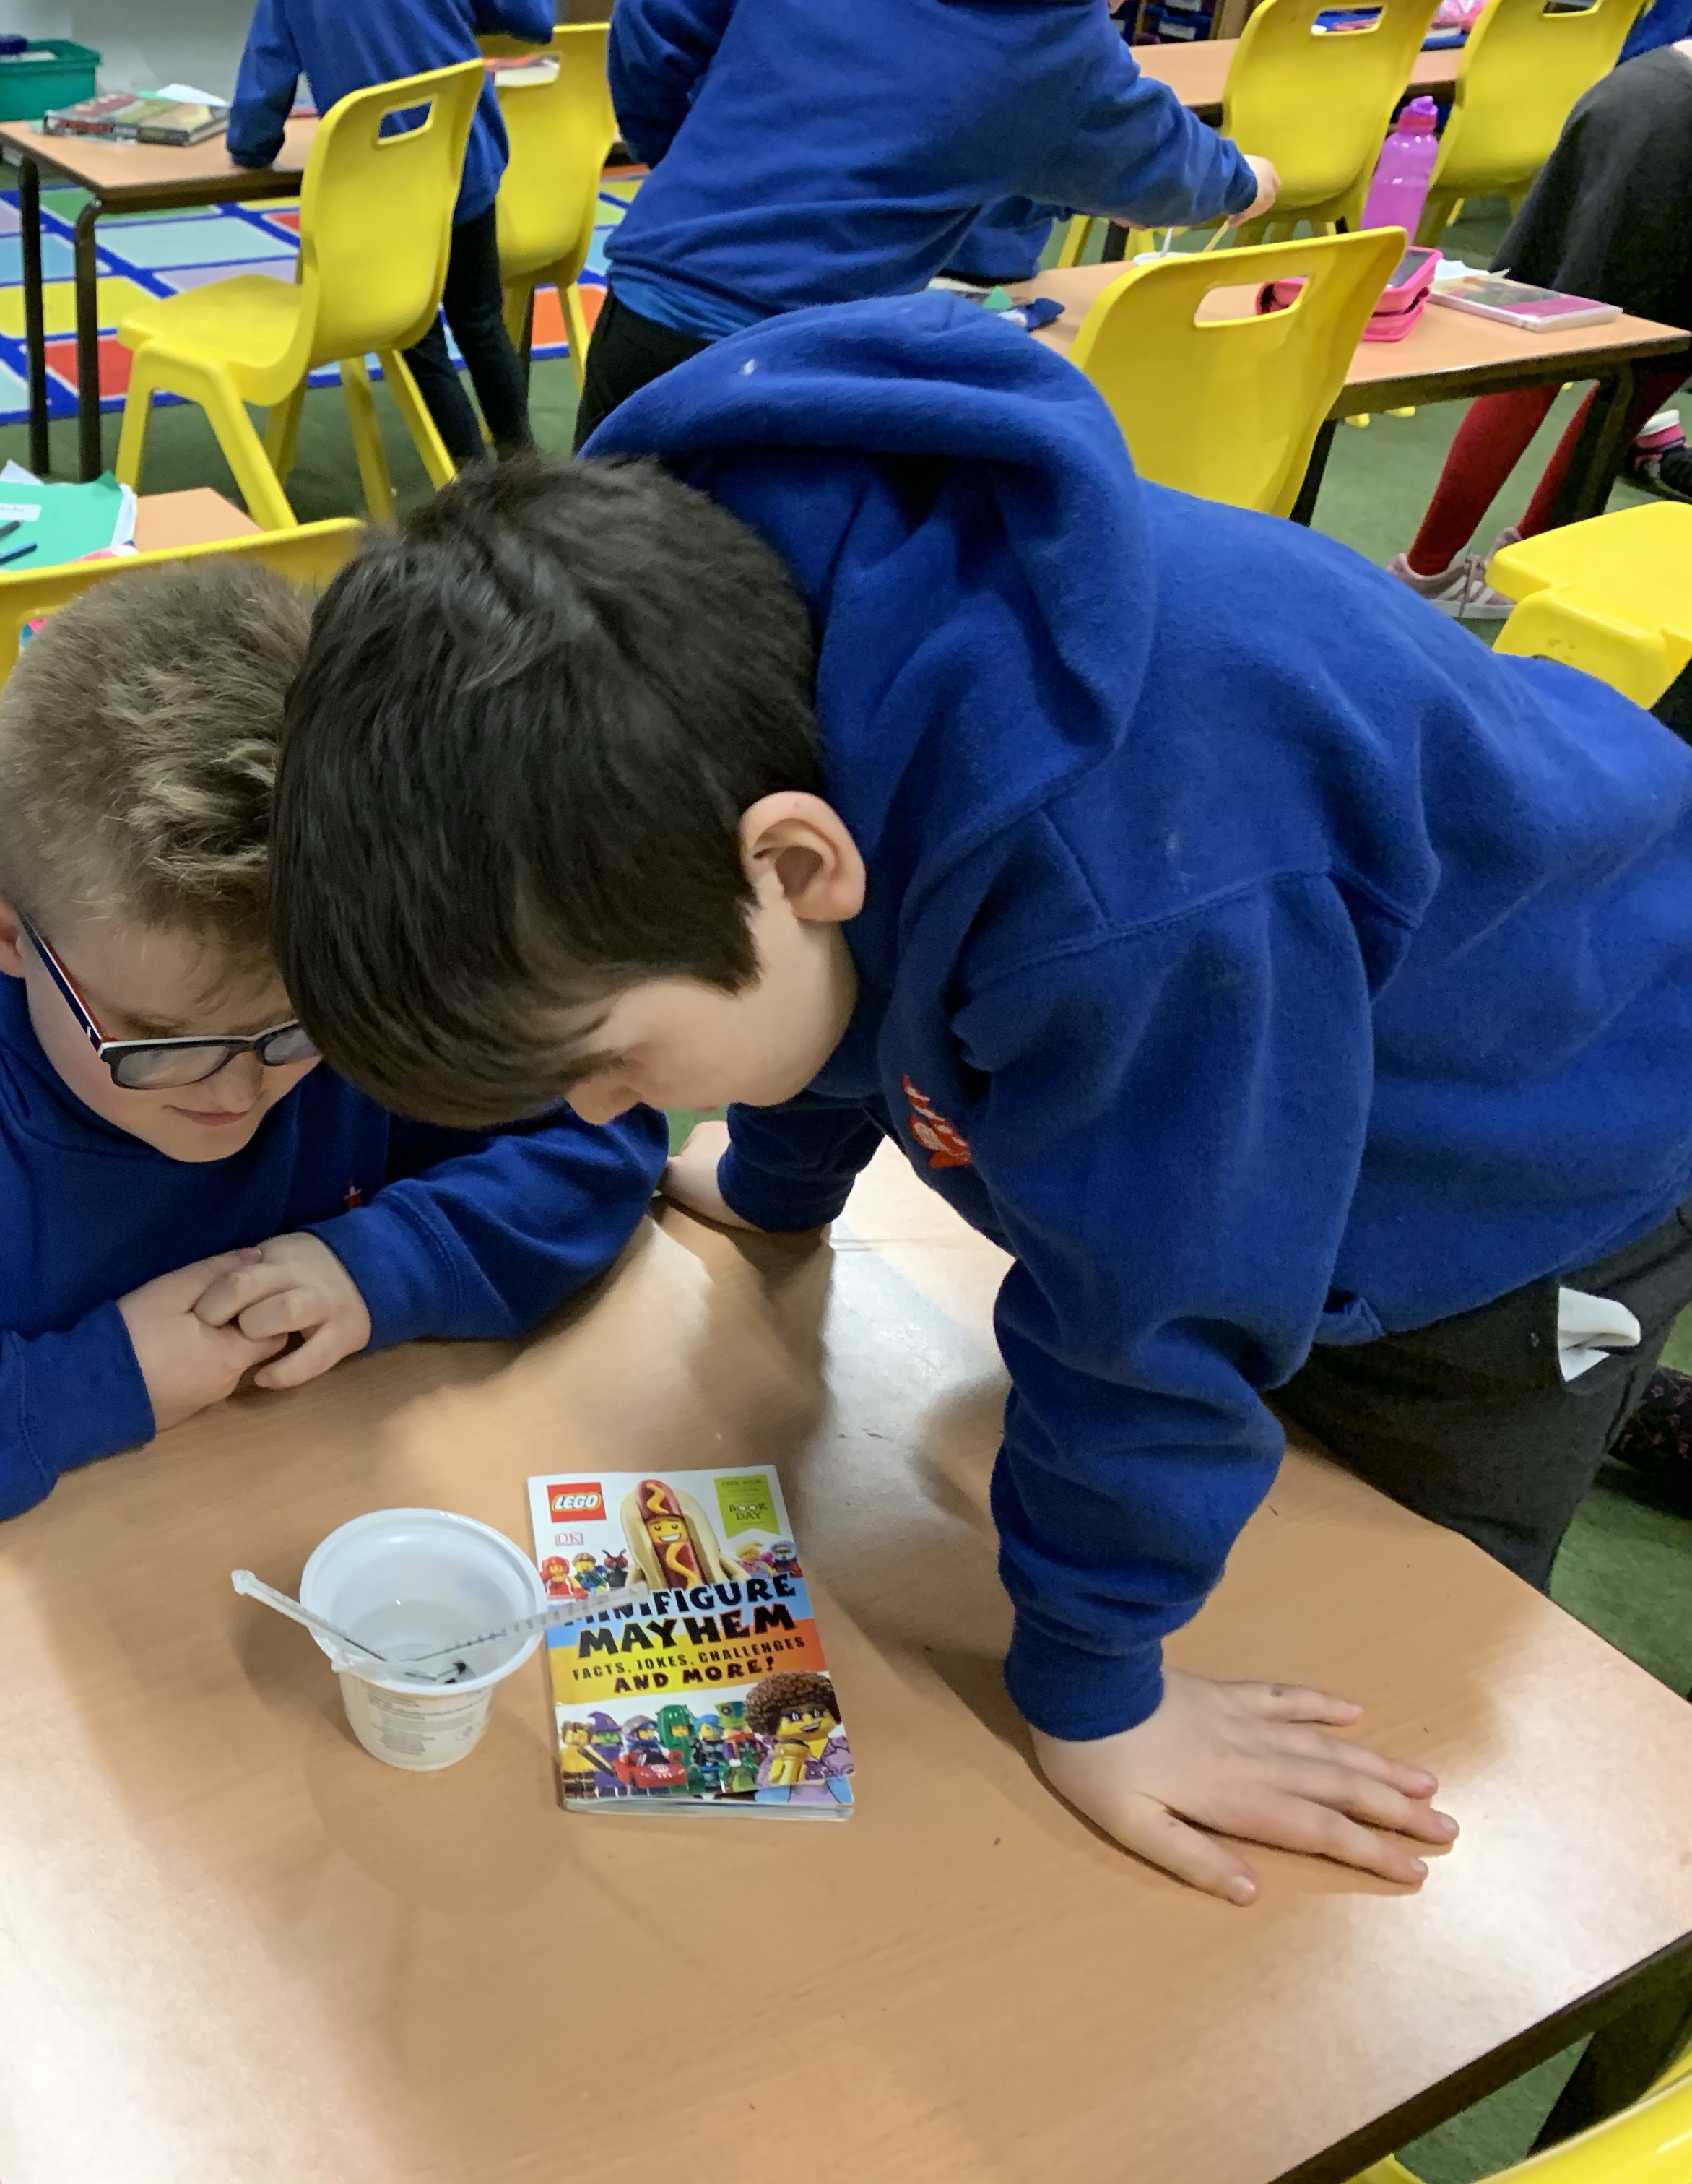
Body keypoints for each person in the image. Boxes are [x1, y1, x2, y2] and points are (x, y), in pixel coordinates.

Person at [266, 309, 1692, 1901]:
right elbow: (845, 967)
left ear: (793, 860)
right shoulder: (718, 663)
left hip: (1544, 1135)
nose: (607, 1109)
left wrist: (1097, 1691)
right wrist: (782, 1177)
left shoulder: (1119, 903)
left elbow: (1155, 1301)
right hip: (1252, 1035)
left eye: (607, 1056)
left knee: (1398, 1624)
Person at [0, 559, 661, 1524]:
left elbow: (600, 1133)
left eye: (295, 1031)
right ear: (7, 933)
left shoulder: (355, 956)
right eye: (156, 1040)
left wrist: (378, 1268)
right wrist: (96, 1382)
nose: (237, 1093)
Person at [578, 0, 1279, 445]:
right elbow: (1165, 164)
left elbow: (654, 26)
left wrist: (683, 159)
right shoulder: (1055, 39)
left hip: (650, 305)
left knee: (584, 589)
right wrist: (1246, 180)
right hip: (796, 369)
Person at [1389, 38, 1692, 618]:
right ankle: (1502, 565)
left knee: (1546, 339)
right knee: (1642, 358)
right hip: (1675, 130)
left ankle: (1449, 567)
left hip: (1639, 90)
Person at [228, 0, 555, 466]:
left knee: (416, 337)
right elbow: (535, 21)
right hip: (463, 165)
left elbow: (263, 90)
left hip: (384, 191)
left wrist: (251, 150)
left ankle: (471, 478)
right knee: (481, 321)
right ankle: (526, 464)